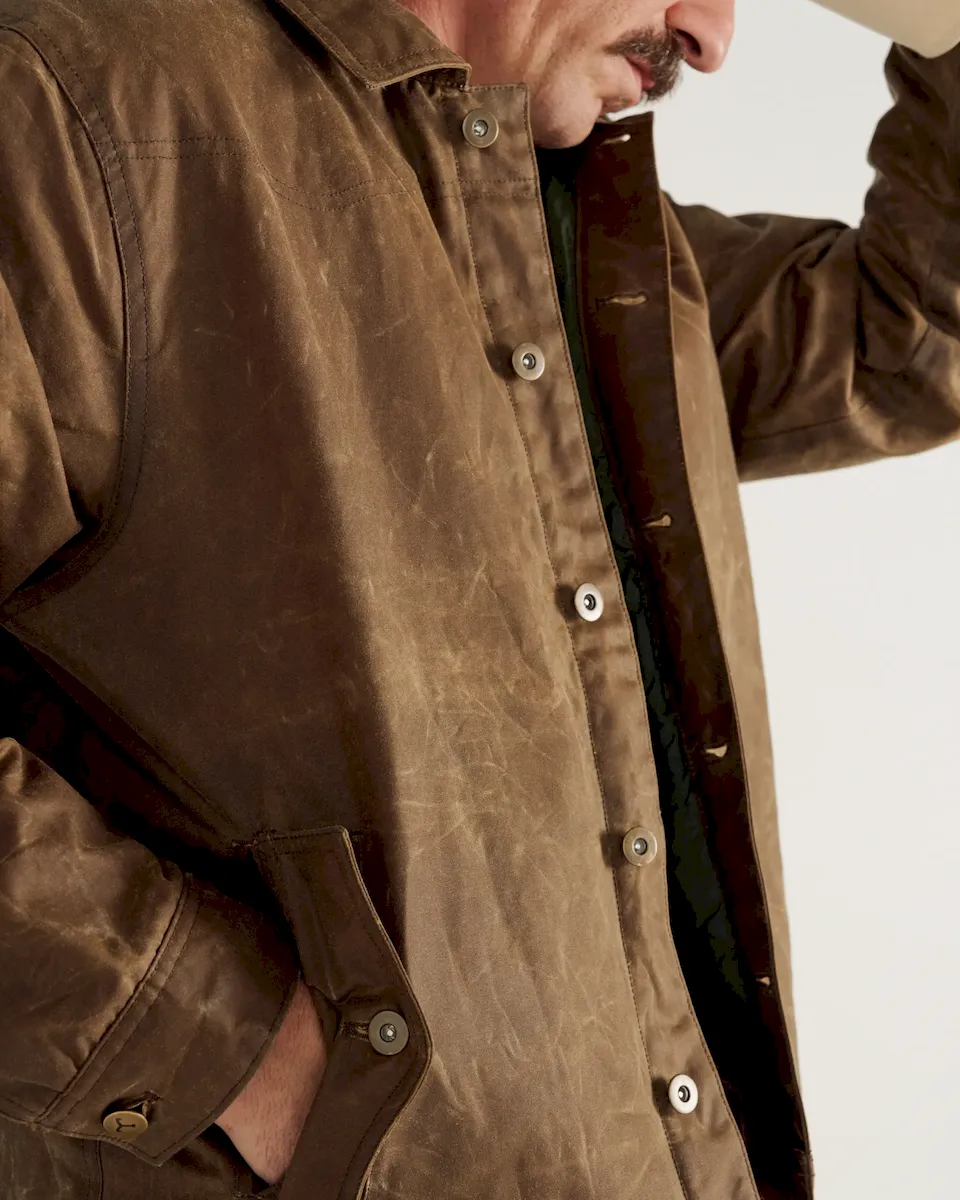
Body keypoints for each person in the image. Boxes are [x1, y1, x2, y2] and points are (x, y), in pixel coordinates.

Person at [0, 0, 957, 1197]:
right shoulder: (82, 105)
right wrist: (237, 1055)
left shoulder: (563, 222)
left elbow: (914, 332)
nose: (710, 39)